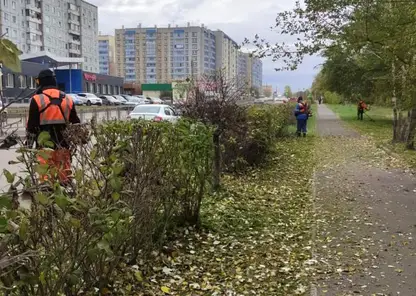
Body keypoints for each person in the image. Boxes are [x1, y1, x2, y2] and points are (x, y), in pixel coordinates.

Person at [26, 69, 80, 185]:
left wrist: (29, 145)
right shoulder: (67, 99)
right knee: (64, 180)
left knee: (46, 182)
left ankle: (49, 201)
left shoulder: (37, 99)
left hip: (44, 147)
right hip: (63, 145)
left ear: (41, 82)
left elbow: (31, 126)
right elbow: (76, 123)